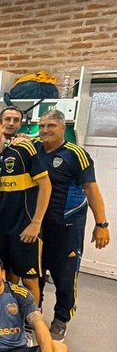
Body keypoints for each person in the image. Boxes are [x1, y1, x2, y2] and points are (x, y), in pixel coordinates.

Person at [36, 110, 110, 340]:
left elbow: (92, 189)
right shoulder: (34, 149)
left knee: (65, 276)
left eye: (51, 126)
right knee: (35, 272)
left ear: (63, 127)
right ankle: (34, 312)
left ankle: (61, 318)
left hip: (67, 225)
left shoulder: (76, 154)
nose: (45, 130)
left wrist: (102, 223)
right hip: (37, 226)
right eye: (42, 125)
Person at [0, 111, 51, 305]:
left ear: (2, 127)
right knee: (5, 275)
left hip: (24, 224)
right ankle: (10, 315)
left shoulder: (22, 149)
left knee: (29, 279)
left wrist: (36, 223)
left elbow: (45, 186)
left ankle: (32, 319)